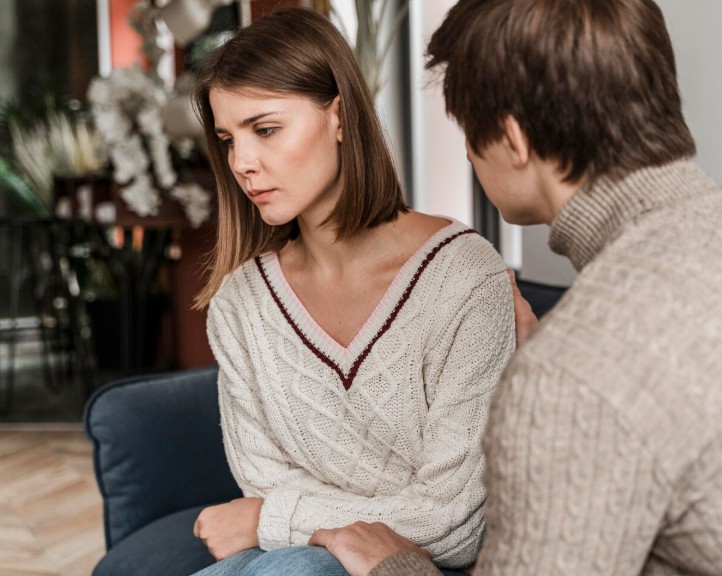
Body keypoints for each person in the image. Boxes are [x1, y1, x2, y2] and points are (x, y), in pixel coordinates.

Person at [309, 0, 722, 574]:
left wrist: (395, 565)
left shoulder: (576, 369)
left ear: (513, 138)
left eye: (466, 130)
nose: (465, 152)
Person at [188, 7, 520, 576]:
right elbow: (266, 486)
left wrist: (269, 519)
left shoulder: (464, 278)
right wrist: (282, 519)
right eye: (227, 139)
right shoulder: (240, 305)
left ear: (338, 117)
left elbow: (455, 523)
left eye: (265, 130)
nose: (241, 163)